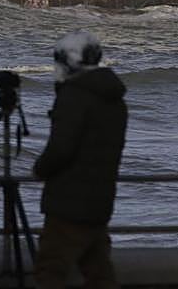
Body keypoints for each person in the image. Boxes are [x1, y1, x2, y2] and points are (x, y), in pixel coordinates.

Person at [33, 30, 127, 289]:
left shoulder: (74, 96)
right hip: (100, 201)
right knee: (99, 273)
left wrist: (40, 169)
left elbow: (61, 149)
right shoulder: (114, 99)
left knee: (50, 270)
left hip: (68, 203)